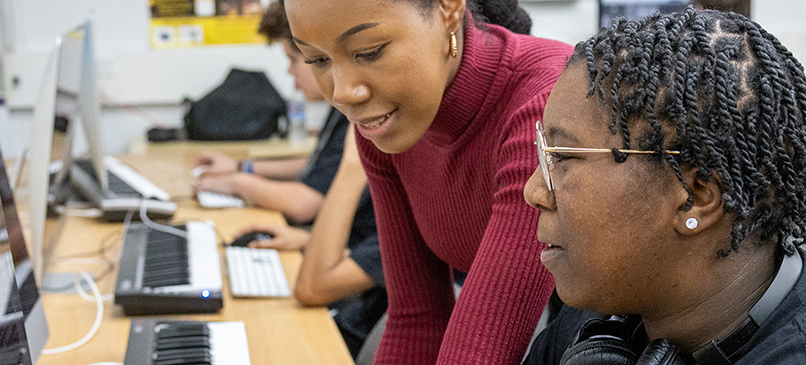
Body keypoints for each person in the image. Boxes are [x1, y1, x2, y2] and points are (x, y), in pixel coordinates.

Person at [522, 8, 806, 364]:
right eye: (545, 152)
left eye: (563, 157)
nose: (533, 191)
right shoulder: (605, 309)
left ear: (695, 196)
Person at [283, 0, 572, 362]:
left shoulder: (546, 102)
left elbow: (482, 351)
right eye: (318, 60)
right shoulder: (386, 128)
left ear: (448, 7)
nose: (343, 93)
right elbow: (417, 319)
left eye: (369, 52)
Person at [208, 3, 387, 357]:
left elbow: (314, 281)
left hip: (358, 313)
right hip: (353, 277)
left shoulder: (382, 136)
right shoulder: (351, 114)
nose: (344, 90)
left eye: (302, 59)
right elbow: (381, 254)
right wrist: (306, 240)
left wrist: (238, 181)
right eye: (317, 61)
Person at [193, 2, 346, 225]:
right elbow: (318, 166)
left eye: (293, 59)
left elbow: (304, 204)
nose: (289, 71)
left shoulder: (356, 117)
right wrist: (240, 167)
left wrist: (236, 183)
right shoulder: (338, 111)